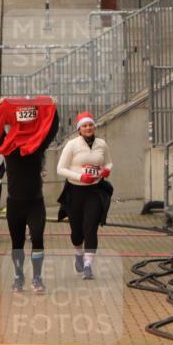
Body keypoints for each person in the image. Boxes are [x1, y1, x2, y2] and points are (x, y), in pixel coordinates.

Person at [0, 96, 59, 293]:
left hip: (35, 203)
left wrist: (53, 108)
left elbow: (51, 129)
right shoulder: (8, 147)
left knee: (38, 239)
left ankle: (38, 278)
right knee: (17, 243)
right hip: (14, 204)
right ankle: (18, 276)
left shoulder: (38, 146)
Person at [56, 112, 113, 280]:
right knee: (77, 233)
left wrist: (107, 170)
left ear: (94, 127)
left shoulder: (102, 144)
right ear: (79, 129)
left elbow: (108, 161)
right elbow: (60, 169)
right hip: (75, 191)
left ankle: (88, 266)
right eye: (84, 126)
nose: (88, 128)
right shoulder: (72, 145)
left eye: (90, 125)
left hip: (95, 191)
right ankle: (78, 253)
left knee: (91, 228)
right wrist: (81, 176)